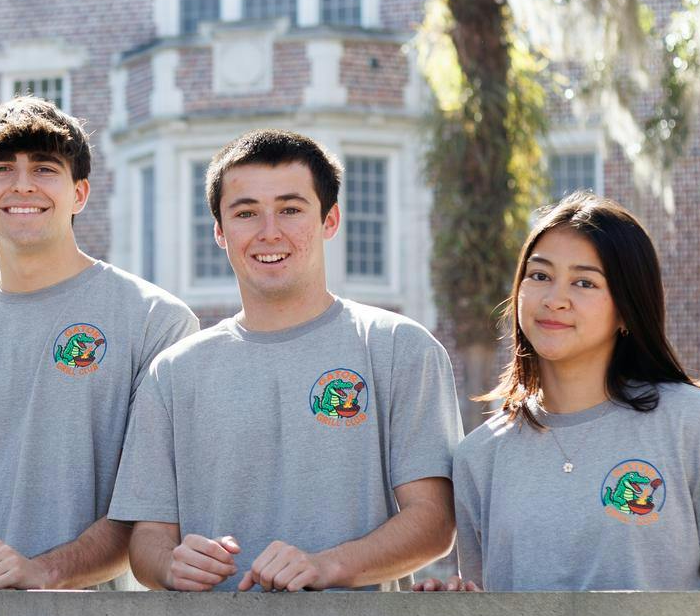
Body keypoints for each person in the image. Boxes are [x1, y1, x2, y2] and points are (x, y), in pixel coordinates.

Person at [111, 130, 461, 591]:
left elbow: (434, 522)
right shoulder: (173, 373)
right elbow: (147, 541)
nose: (269, 232)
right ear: (219, 231)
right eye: (246, 213)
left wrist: (327, 566)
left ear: (330, 220)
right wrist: (171, 565)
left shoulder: (399, 348)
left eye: (291, 210)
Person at [420, 192, 700, 593]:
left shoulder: (698, 426)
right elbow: (484, 615)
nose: (554, 300)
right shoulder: (479, 457)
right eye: (540, 276)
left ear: (627, 308)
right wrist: (451, 601)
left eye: (584, 282)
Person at [0, 97, 197, 591]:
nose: (23, 184)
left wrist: (42, 572)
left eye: (44, 169)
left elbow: (148, 515)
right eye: (2, 169)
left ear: (80, 193)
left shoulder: (156, 322)